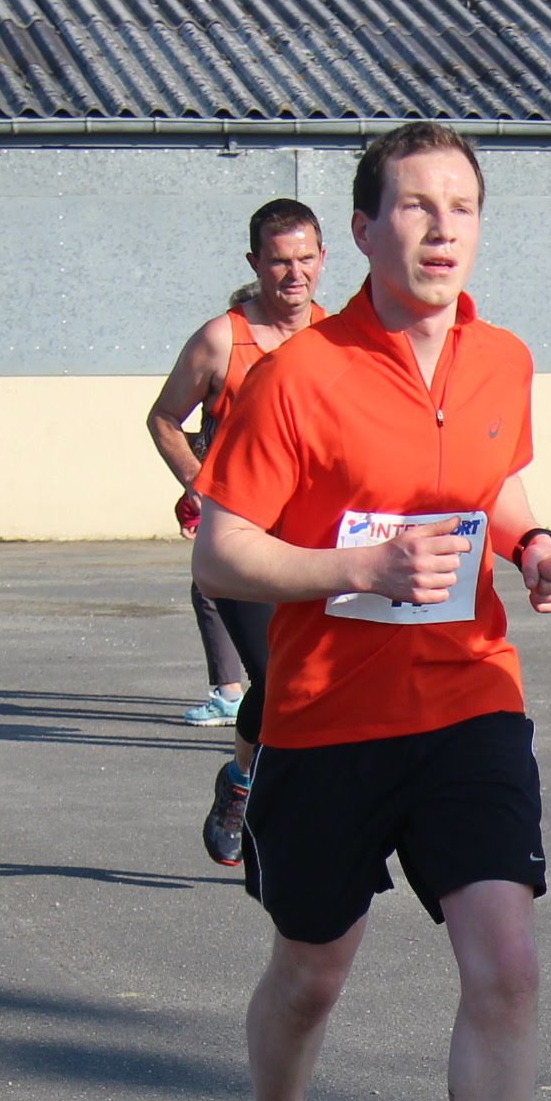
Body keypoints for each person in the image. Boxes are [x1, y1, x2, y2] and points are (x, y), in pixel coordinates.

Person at [190, 123, 551, 1101]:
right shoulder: (296, 376)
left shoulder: (503, 360)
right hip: (329, 717)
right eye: (416, 205)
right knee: (313, 973)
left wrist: (532, 544)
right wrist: (353, 567)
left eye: (462, 204)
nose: (443, 226)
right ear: (364, 229)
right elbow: (221, 550)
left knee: (506, 962)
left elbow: (495, 481)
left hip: (469, 699)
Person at [148, 198, 329, 862]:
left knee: (308, 681)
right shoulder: (222, 339)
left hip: (317, 544)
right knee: (279, 679)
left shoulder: (340, 336)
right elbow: (164, 419)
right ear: (254, 262)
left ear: (323, 258)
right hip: (242, 544)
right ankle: (253, 793)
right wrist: (199, 484)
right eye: (279, 261)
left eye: (305, 259)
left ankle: (250, 781)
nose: (294, 273)